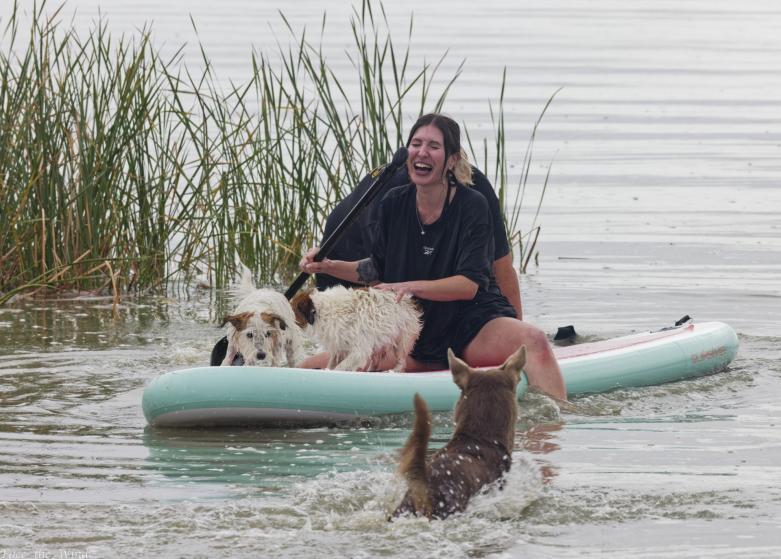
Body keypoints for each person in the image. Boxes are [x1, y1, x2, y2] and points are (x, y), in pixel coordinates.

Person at [300, 113, 566, 400]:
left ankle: (556, 422)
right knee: (315, 367)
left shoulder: (473, 204)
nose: (422, 152)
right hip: (415, 329)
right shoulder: (392, 203)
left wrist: (409, 286)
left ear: (452, 160)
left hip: (470, 324)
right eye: (416, 144)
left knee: (534, 340)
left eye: (433, 146)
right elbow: (375, 269)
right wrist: (328, 265)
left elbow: (468, 285)